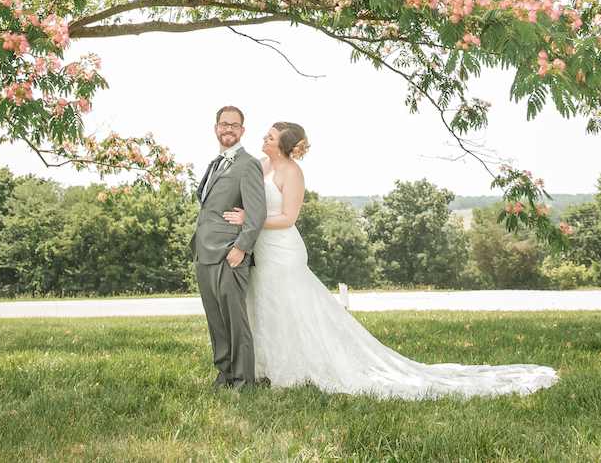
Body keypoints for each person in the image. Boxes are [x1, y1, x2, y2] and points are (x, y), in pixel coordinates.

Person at [221, 121, 559, 399]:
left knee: (289, 307)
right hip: (261, 249)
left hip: (283, 249)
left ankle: (294, 369)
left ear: (282, 145)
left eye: (269, 136)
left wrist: (249, 220)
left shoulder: (291, 172)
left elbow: (288, 218)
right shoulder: (260, 165)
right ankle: (265, 366)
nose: (263, 137)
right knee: (265, 304)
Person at [189, 105, 268, 388]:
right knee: (217, 322)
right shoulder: (216, 163)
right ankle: (224, 375)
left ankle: (243, 381)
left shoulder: (248, 164)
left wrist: (241, 248)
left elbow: (256, 213)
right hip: (203, 252)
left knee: (236, 322)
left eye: (235, 125)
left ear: (242, 130)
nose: (229, 129)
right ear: (216, 128)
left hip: (228, 253)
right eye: (224, 124)